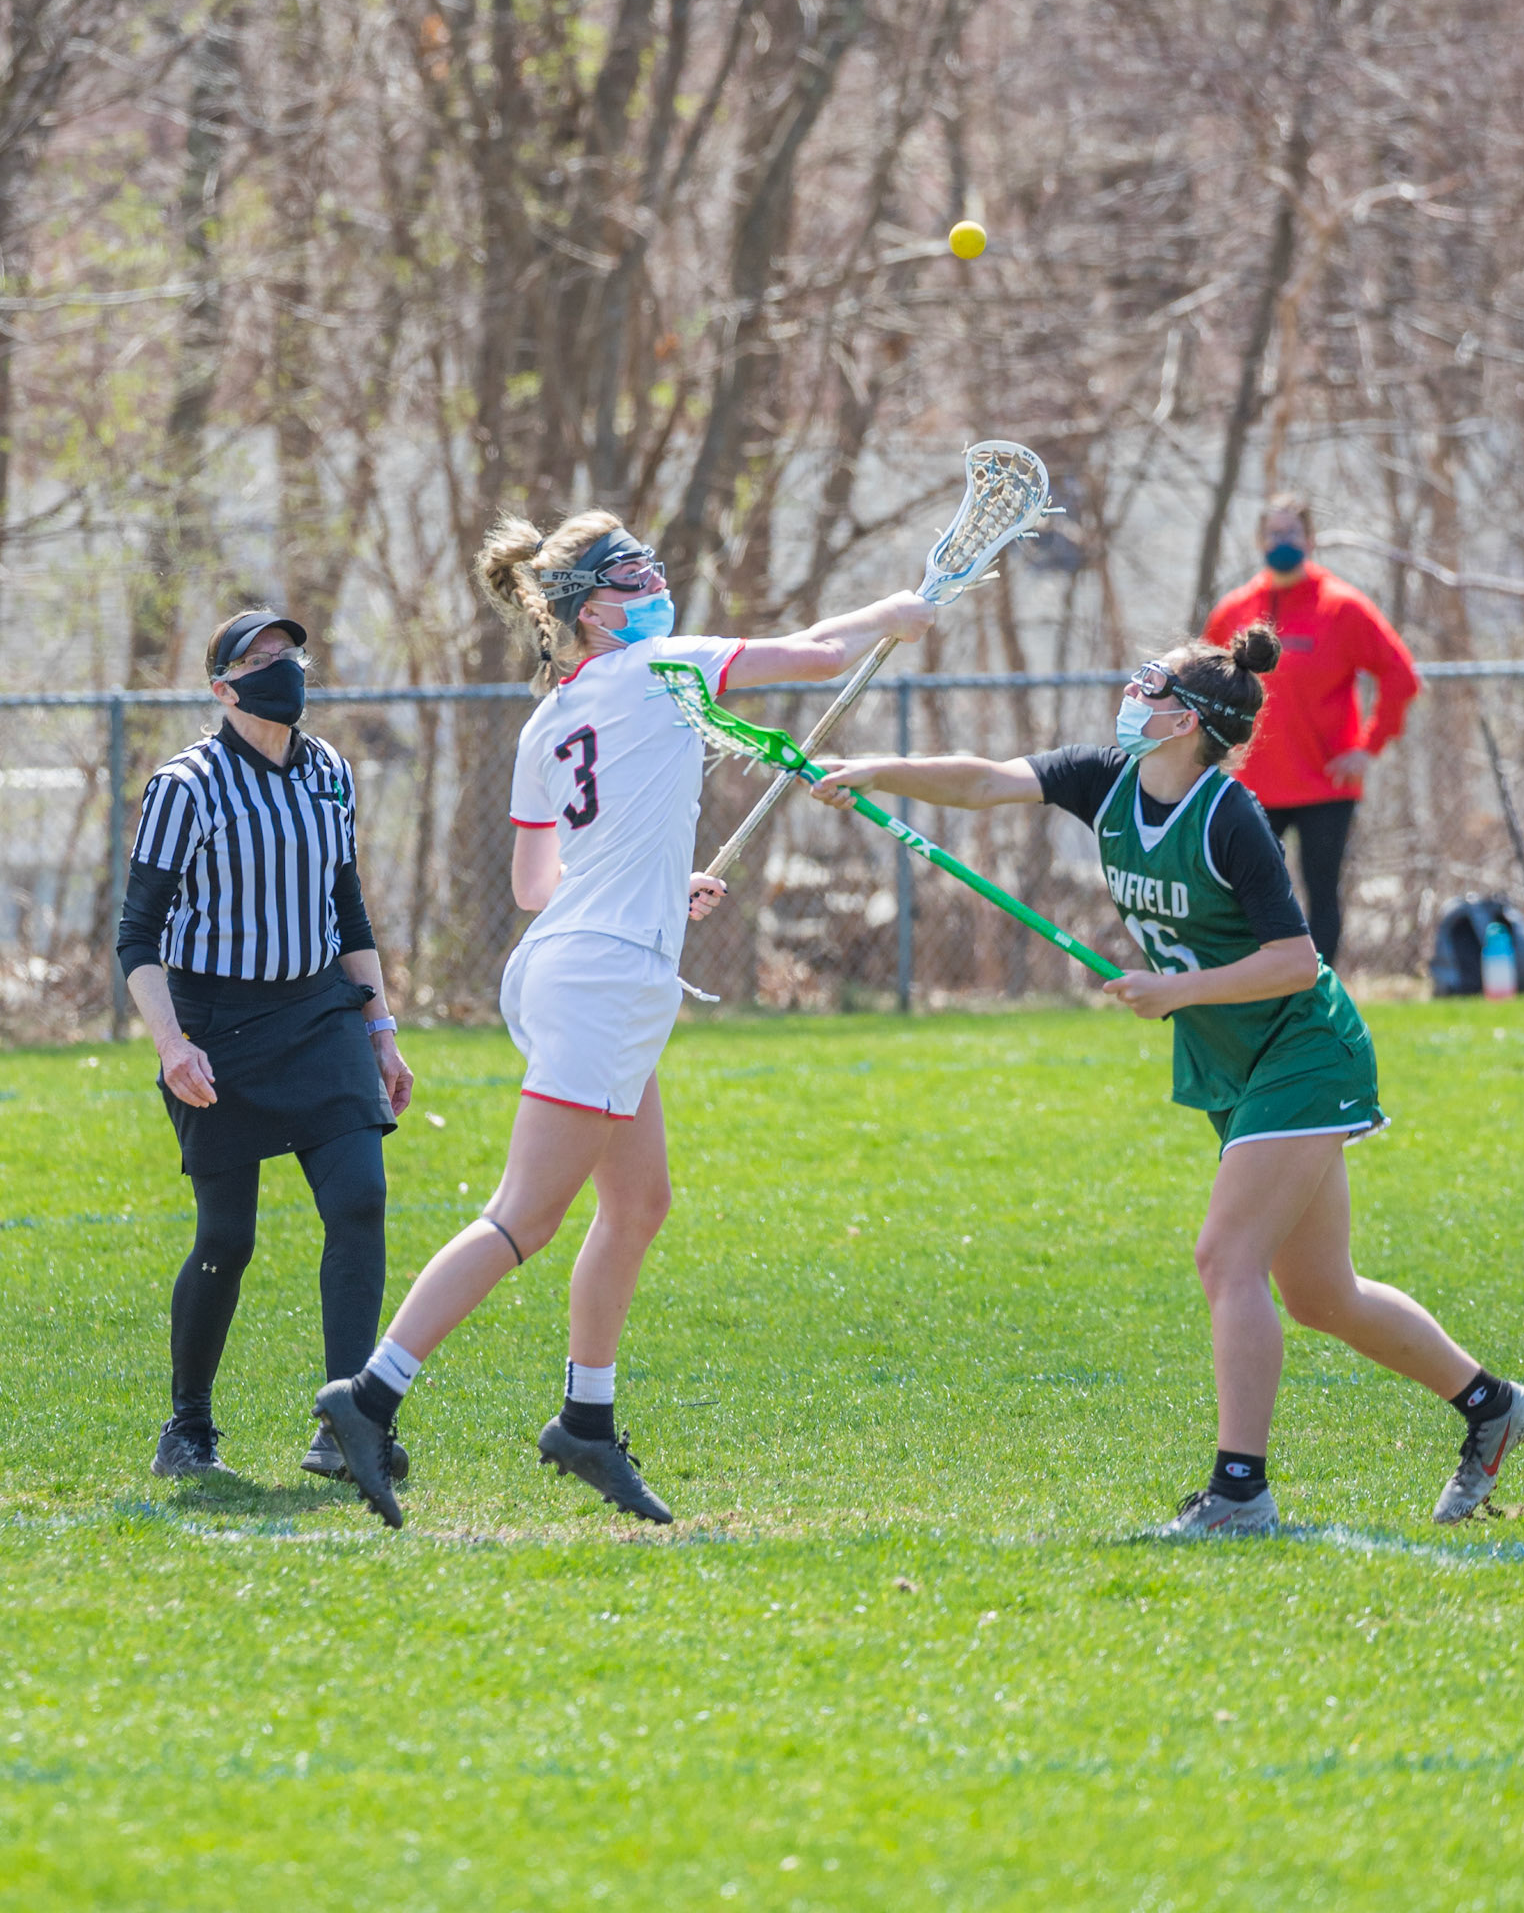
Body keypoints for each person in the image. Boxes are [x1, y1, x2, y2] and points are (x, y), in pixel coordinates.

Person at [811, 625, 1524, 1534]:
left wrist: (1176, 991)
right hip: (1229, 1058)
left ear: (1188, 721)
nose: (1130, 697)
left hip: (1303, 1048)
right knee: (1321, 1294)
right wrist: (875, 771)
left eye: (1149, 687)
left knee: (1225, 1258)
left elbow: (1294, 960)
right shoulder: (1104, 780)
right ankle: (1492, 1405)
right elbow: (986, 781)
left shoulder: (1228, 817)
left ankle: (1240, 1493)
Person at [315, 509, 935, 1529]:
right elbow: (820, 655)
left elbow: (534, 884)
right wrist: (893, 612)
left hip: (582, 963)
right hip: (603, 977)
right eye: (631, 575)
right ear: (589, 612)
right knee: (524, 1215)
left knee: (640, 1203)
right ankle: (368, 1398)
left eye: (652, 565)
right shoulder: (662, 667)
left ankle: (585, 1424)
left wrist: (655, 883)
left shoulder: (549, 717)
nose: (656, 585)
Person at [119, 611, 415, 1482]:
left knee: (360, 1199)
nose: (285, 667)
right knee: (228, 1236)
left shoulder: (329, 772)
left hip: (319, 1010)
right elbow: (137, 935)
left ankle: (348, 1423)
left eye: (291, 654)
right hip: (216, 1025)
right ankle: (188, 1427)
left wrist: (381, 1030)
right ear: (223, 687)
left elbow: (348, 910)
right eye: (261, 659)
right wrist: (172, 1045)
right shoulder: (186, 786)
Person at [1201, 492, 1419, 965]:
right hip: (1254, 784)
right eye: (1273, 533)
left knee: (1322, 892)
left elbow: (1401, 676)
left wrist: (1368, 746)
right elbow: (1203, 680)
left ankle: (1317, 990)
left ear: (1310, 539)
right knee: (1248, 892)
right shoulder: (1236, 609)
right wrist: (1210, 752)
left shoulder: (1341, 607)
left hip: (1327, 783)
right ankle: (1256, 986)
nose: (1282, 541)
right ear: (1260, 540)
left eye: (1292, 532)